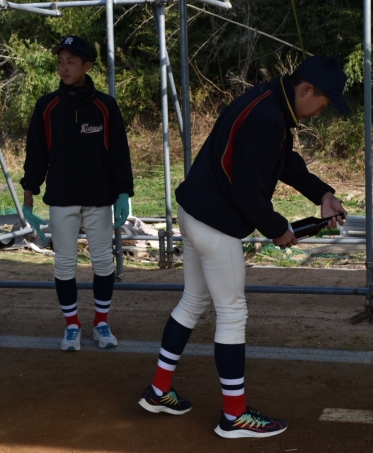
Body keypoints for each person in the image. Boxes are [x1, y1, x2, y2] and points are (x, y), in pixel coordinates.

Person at [138, 55, 349, 438]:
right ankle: (234, 416)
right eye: (325, 102)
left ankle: (158, 390)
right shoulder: (270, 118)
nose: (323, 110)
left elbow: (283, 161)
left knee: (193, 301)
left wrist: (323, 194)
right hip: (214, 223)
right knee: (232, 313)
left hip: (194, 211)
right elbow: (247, 192)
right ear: (307, 90)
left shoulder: (269, 101)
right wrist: (277, 228)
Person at [20, 35, 134, 352]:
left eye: (71, 62)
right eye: (60, 61)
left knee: (103, 263)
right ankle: (72, 326)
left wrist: (123, 192)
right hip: (61, 198)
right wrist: (29, 194)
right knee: (65, 264)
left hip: (99, 198)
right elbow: (36, 154)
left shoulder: (105, 106)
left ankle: (101, 323)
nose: (64, 67)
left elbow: (119, 154)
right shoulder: (47, 106)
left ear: (87, 66)